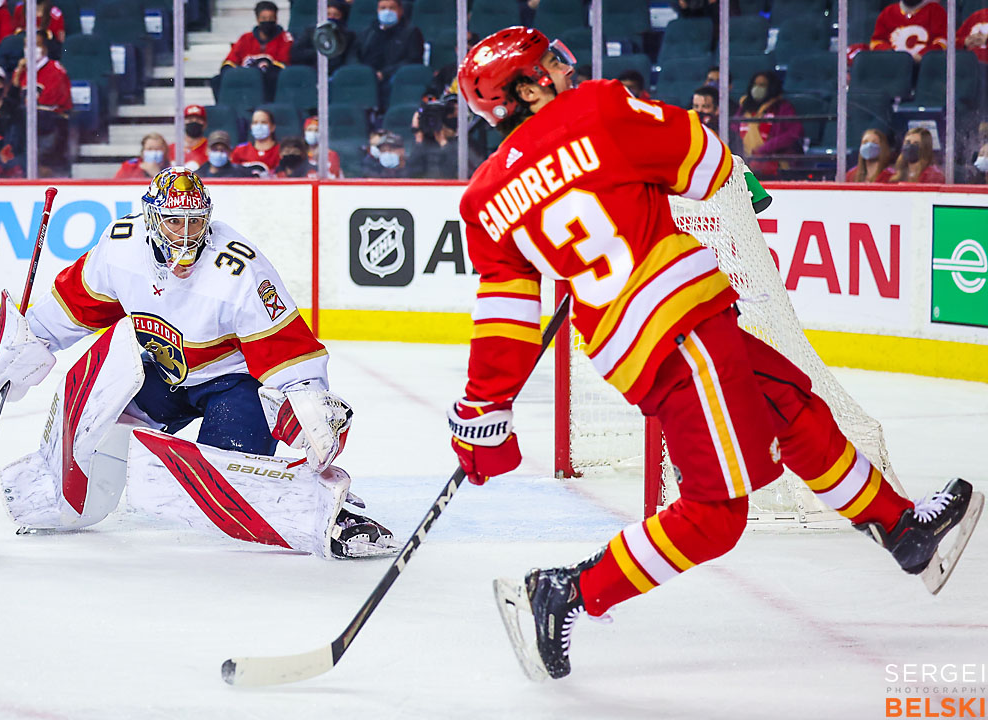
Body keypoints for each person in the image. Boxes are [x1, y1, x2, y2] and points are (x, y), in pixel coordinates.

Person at [452, 27, 982, 681]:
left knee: (791, 406)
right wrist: (672, 176)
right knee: (715, 516)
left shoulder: (483, 200)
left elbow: (504, 320)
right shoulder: (597, 106)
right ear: (525, 89)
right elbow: (703, 165)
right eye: (548, 66)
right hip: (683, 332)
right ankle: (560, 593)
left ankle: (902, 531)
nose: (564, 69)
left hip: (645, 345)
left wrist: (484, 410)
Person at [0, 167, 399, 558]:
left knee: (229, 478)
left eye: (194, 222)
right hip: (156, 375)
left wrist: (308, 403)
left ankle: (328, 515)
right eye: (173, 222)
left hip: (232, 385)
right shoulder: (120, 247)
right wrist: (26, 345)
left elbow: (287, 350)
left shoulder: (240, 269)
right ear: (151, 219)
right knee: (94, 426)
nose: (185, 236)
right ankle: (56, 487)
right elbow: (73, 308)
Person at [12, 29, 69, 176]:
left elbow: (55, 103)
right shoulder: (21, 71)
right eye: (27, 45)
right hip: (24, 124)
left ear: (44, 48)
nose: (30, 48)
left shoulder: (55, 70)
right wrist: (18, 73)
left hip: (48, 124)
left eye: (35, 44)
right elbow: (12, 100)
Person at [355, 0, 423, 111]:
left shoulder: (411, 32)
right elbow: (356, 55)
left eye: (392, 8)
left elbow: (413, 60)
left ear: (400, 10)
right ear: (377, 10)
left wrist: (384, 73)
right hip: (369, 76)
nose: (387, 12)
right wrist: (366, 72)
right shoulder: (368, 32)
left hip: (394, 76)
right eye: (383, 8)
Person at [735, 70, 802, 180]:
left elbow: (793, 133)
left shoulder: (783, 108)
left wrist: (764, 149)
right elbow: (733, 130)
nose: (757, 88)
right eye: (755, 85)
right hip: (744, 162)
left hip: (773, 165)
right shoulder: (744, 107)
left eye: (762, 85)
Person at [221, 0, 292, 101]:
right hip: (245, 79)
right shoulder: (245, 38)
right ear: (257, 19)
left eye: (271, 19)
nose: (267, 22)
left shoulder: (285, 38)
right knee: (218, 79)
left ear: (276, 19)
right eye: (264, 18)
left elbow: (283, 62)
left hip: (269, 81)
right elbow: (231, 60)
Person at [407, 95, 482, 179]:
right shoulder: (421, 146)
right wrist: (418, 136)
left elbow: (452, 174)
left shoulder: (465, 145)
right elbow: (410, 175)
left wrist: (445, 144)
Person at [290, 0, 354, 75]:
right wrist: (321, 52)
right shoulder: (310, 31)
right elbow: (297, 53)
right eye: (328, 14)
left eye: (336, 15)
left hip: (337, 73)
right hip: (312, 71)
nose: (331, 17)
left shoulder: (348, 36)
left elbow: (350, 58)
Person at [871, 0, 946, 61]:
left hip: (925, 68)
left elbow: (943, 40)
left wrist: (922, 55)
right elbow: (876, 41)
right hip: (894, 68)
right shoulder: (888, 13)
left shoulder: (935, 11)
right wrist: (891, 54)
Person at [230, 107, 278, 176]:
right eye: (255, 123)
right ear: (251, 127)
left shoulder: (280, 151)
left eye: (263, 122)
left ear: (272, 127)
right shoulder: (240, 150)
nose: (259, 126)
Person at [168, 104, 209, 171]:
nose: (194, 122)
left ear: (205, 124)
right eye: (190, 119)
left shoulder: (210, 148)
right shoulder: (171, 148)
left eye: (198, 120)